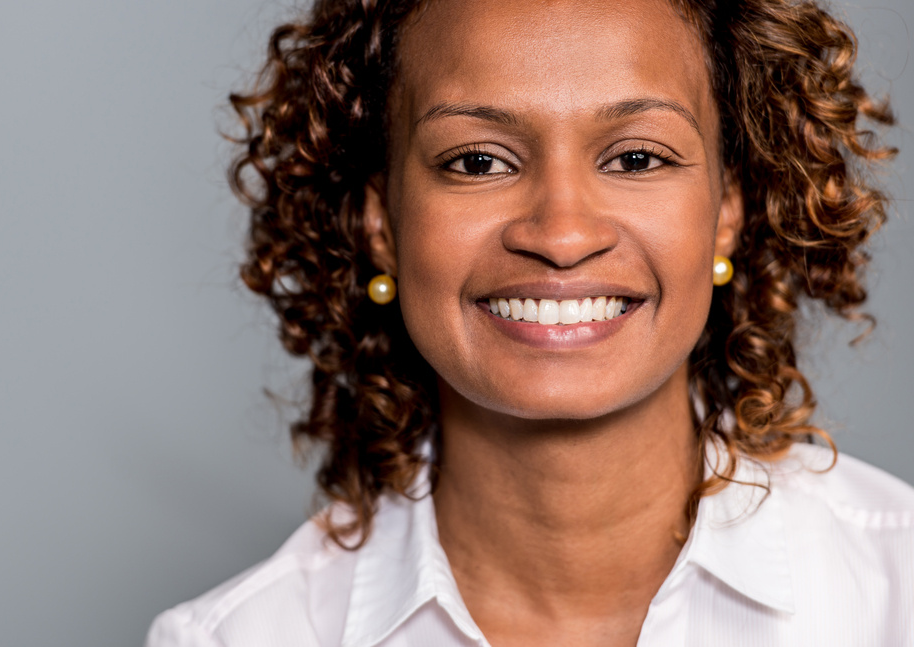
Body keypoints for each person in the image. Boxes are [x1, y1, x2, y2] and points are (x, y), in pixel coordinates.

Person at [147, 0, 913, 644]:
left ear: (727, 211)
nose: (562, 233)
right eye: (478, 161)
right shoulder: (234, 637)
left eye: (637, 158)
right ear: (381, 221)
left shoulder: (895, 594)